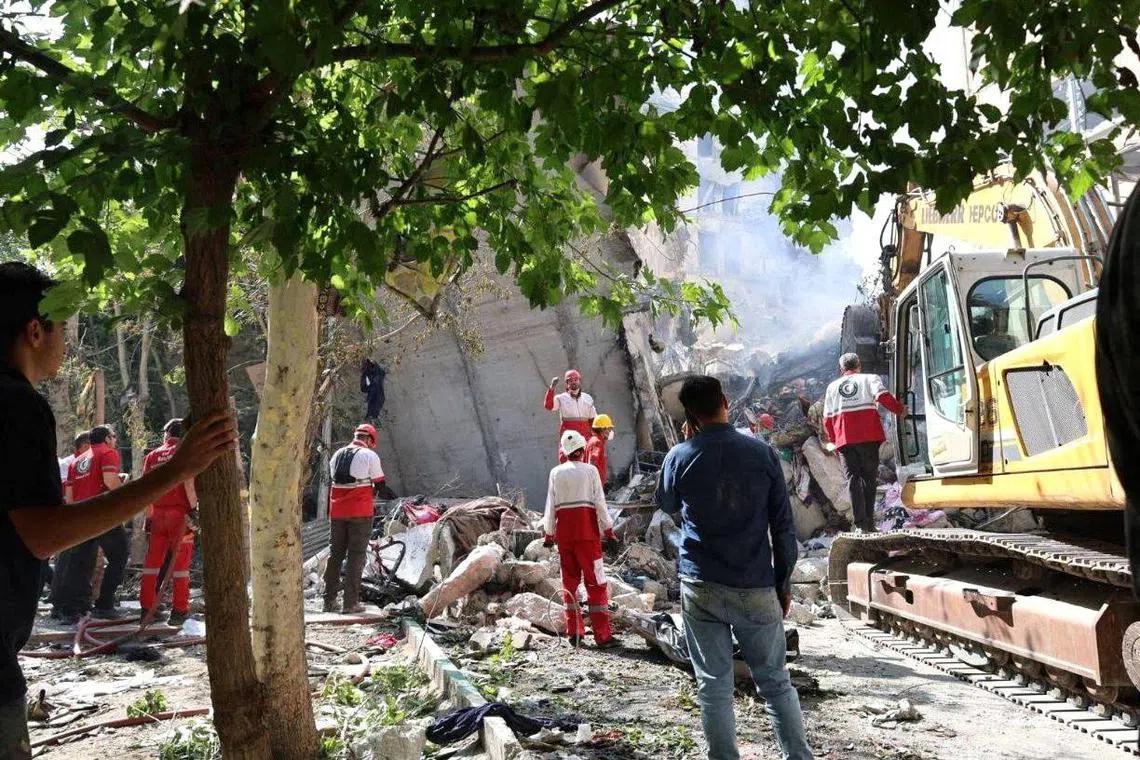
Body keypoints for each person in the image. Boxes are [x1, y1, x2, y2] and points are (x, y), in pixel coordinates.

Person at [0, 261, 235, 760]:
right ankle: (134, 610)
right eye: (62, 328)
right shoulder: (18, 406)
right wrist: (177, 473)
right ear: (35, 330)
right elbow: (41, 533)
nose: (66, 344)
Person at [657, 375, 812, 760]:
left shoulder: (680, 455)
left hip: (701, 583)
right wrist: (784, 583)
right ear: (724, 400)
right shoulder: (761, 453)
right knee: (776, 683)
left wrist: (685, 442)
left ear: (689, 414)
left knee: (713, 685)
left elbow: (665, 501)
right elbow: (783, 526)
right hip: (755, 583)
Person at [542, 429, 620, 649]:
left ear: (564, 451)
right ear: (582, 448)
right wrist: (609, 531)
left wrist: (549, 534)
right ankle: (602, 636)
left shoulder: (556, 473)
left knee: (569, 583)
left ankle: (574, 633)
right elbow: (600, 504)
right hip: (588, 537)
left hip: (565, 538)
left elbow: (550, 505)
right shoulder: (590, 471)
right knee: (596, 584)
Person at [52, 425, 131, 622]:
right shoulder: (108, 453)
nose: (114, 440)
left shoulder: (77, 461)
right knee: (119, 556)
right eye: (113, 436)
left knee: (78, 562)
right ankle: (104, 604)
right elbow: (110, 481)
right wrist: (127, 493)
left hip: (81, 516)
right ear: (106, 439)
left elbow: (69, 497)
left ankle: (69, 610)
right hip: (103, 514)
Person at [822, 353, 905, 532]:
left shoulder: (832, 387)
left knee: (853, 480)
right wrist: (900, 409)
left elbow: (827, 419)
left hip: (844, 440)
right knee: (868, 479)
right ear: (859, 365)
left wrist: (834, 441)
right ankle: (869, 523)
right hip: (868, 437)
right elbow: (883, 397)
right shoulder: (870, 378)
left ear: (841, 369)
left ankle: (860, 525)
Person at [139, 419, 198, 626]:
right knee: (180, 567)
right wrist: (193, 510)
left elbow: (145, 491)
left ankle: (147, 609)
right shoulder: (185, 451)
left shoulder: (151, 456)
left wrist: (148, 517)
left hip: (157, 515)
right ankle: (179, 611)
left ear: (167, 434)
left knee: (152, 565)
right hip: (180, 515)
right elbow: (189, 482)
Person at [324, 423, 387, 614]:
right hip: (360, 512)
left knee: (335, 554)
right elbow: (380, 484)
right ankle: (350, 603)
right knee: (356, 555)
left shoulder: (337, 454)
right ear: (369, 440)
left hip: (337, 512)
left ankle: (328, 601)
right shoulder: (369, 455)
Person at [543, 369, 596, 461]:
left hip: (585, 435)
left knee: (586, 461)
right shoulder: (561, 398)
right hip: (569, 436)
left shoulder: (588, 398)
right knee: (566, 459)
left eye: (576, 380)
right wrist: (551, 389)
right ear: (567, 383)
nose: (573, 382)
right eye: (570, 380)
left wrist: (594, 437)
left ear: (579, 381)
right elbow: (549, 406)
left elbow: (593, 420)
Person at [584, 413, 614, 488]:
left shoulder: (597, 441)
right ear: (602, 430)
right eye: (609, 429)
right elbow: (592, 462)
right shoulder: (597, 442)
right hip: (595, 485)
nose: (610, 432)